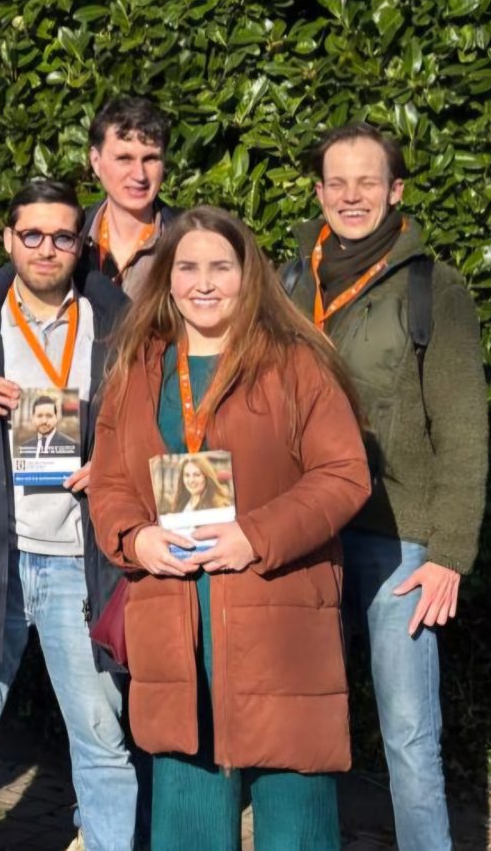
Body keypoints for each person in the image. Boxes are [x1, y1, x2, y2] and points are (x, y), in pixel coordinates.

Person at [88, 205, 372, 849]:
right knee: (188, 825)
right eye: (188, 267)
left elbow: (345, 473)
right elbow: (108, 481)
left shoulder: (294, 362)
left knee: (296, 821)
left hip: (278, 619)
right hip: (174, 623)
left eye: (221, 266)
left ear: (249, 276)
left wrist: (256, 535)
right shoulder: (139, 368)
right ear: (167, 278)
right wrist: (136, 539)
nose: (204, 283)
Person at [284, 123, 488, 851]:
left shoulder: (434, 288)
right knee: (302, 716)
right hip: (305, 529)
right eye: (337, 182)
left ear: (395, 191)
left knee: (408, 734)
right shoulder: (286, 282)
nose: (351, 196)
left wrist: (450, 553)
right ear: (319, 192)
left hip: (396, 539)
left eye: (367, 181)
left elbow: (463, 427)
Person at [0, 180, 136, 851]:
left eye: (62, 236)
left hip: (82, 561)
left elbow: (154, 432)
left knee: (102, 740)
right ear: (11, 239)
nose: (47, 248)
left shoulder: (121, 326)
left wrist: (116, 468)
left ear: (81, 244)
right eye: (33, 235)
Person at [78, 97, 180, 299]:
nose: (139, 175)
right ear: (95, 161)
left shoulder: (190, 241)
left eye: (150, 159)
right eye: (124, 159)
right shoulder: (70, 242)